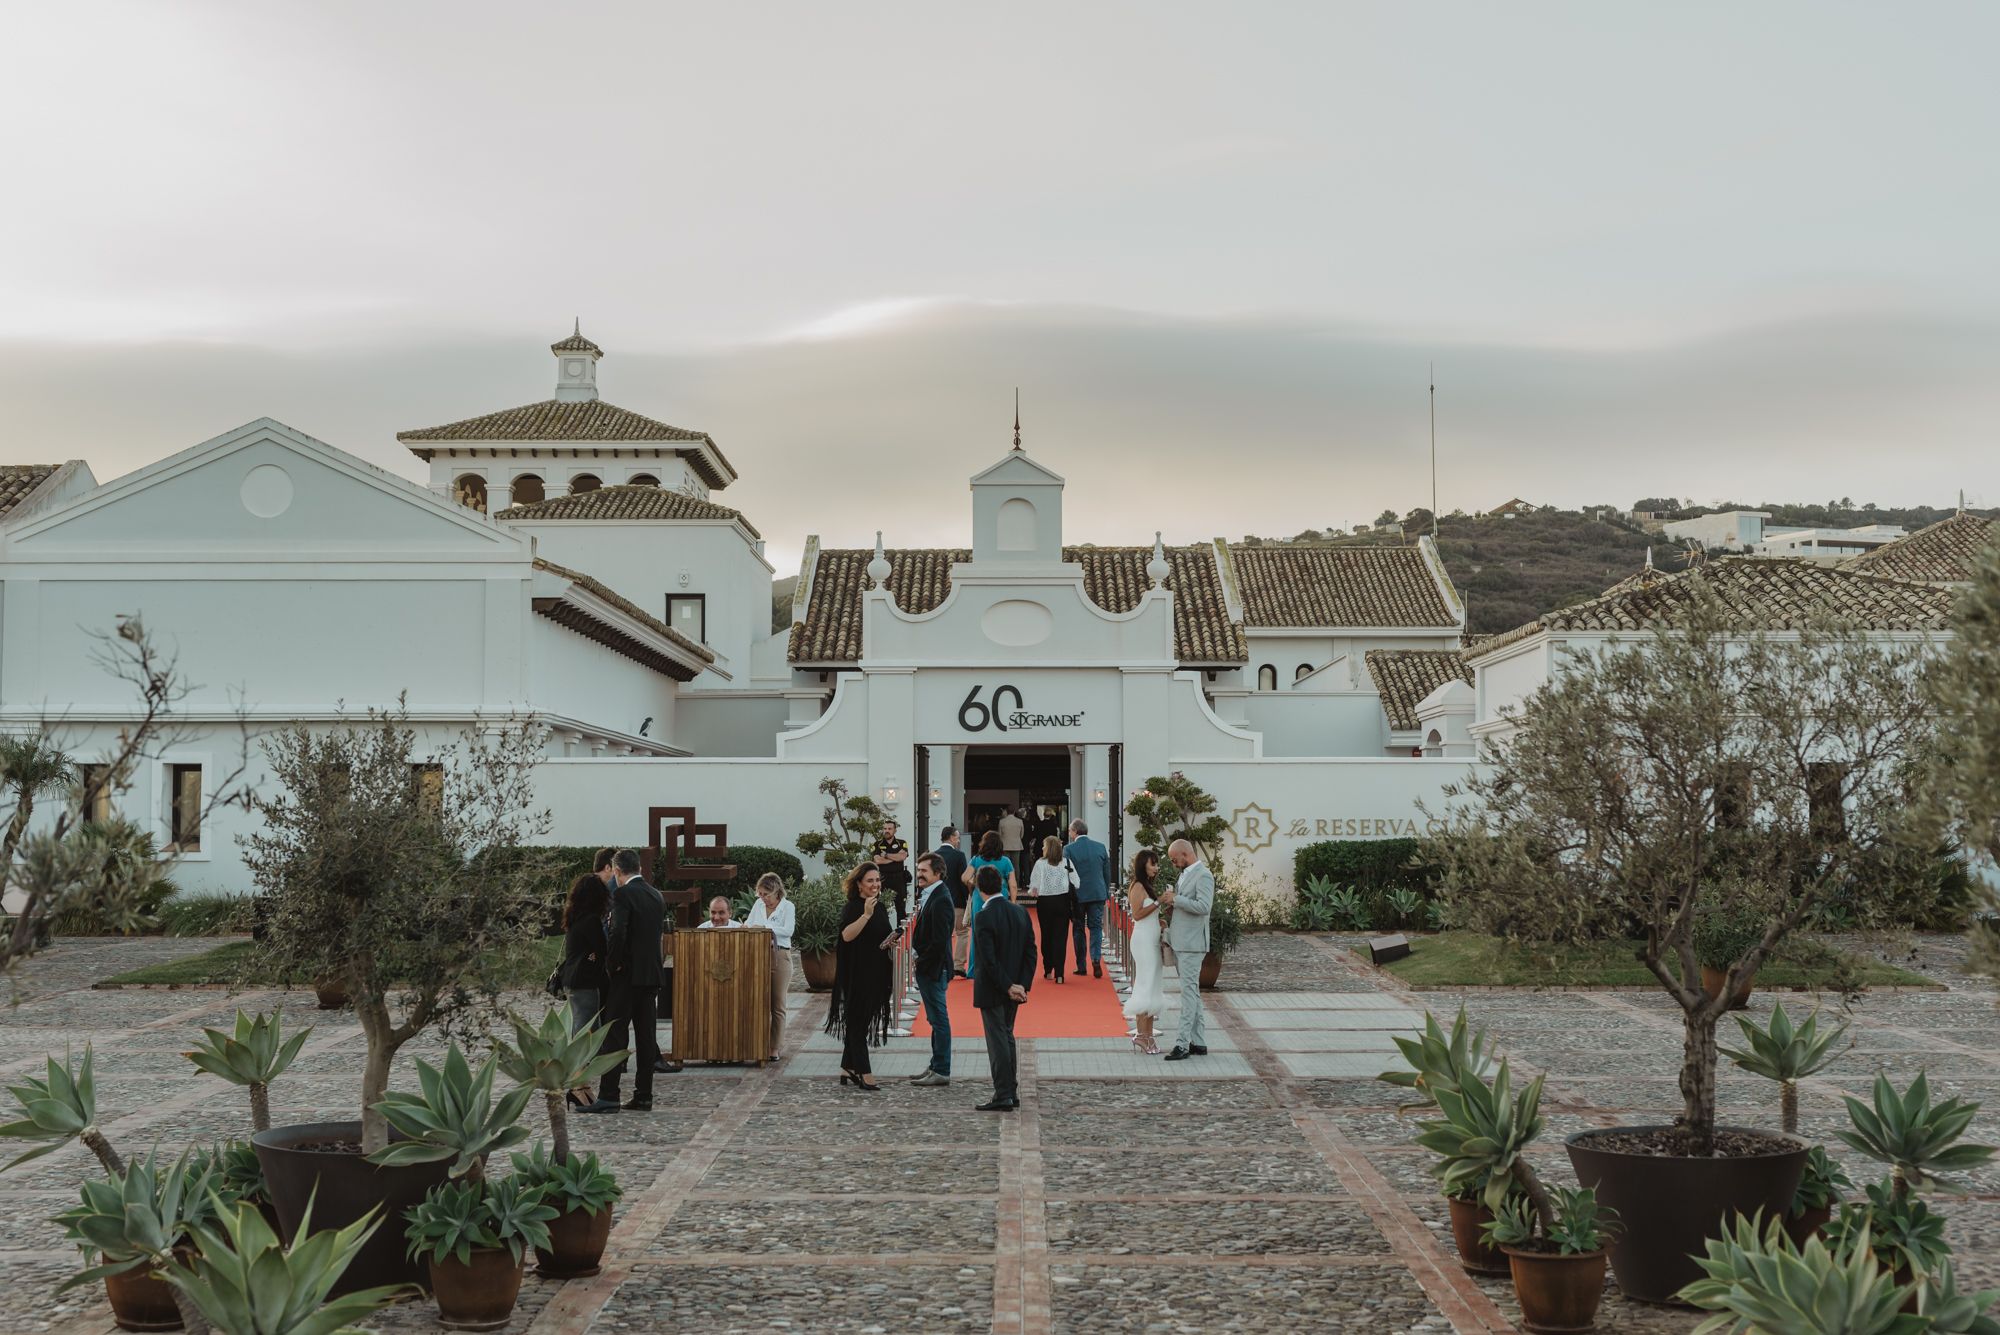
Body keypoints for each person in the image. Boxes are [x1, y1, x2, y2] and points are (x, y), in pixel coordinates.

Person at [584, 849, 668, 1113]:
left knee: (614, 1035)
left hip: (627, 975)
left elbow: (618, 932)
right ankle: (644, 1095)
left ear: (617, 871)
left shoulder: (622, 894)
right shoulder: (656, 895)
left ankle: (609, 1095)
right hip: (651, 975)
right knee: (646, 1037)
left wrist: (612, 964)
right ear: (640, 868)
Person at [972, 866, 1037, 1112]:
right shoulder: (1020, 911)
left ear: (979, 888)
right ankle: (1010, 1089)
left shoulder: (984, 916)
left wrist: (1009, 985)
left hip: (994, 987)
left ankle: (1004, 1093)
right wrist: (1021, 984)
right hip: (1014, 986)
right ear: (1000, 884)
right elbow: (1031, 952)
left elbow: (987, 960)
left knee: (998, 1039)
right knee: (1007, 1035)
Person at [827, 862, 893, 1091]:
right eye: (870, 881)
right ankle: (865, 1072)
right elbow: (846, 936)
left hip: (876, 972)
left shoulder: (881, 907)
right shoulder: (853, 908)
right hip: (857, 974)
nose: (875, 885)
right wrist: (866, 915)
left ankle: (847, 1066)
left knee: (861, 1022)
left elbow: (881, 935)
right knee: (856, 1023)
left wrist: (892, 939)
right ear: (859, 884)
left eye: (877, 880)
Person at [559, 873, 612, 1105]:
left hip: (572, 979)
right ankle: (577, 1085)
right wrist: (596, 956)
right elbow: (602, 949)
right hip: (585, 982)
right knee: (585, 1033)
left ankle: (583, 1085)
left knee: (581, 1029)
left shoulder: (574, 917)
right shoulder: (590, 920)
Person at [1161, 839, 1214, 1062]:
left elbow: (1204, 907)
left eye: (1174, 859)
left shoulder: (1204, 875)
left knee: (1189, 994)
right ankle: (1199, 1042)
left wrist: (1177, 899)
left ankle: (1182, 1044)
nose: (1173, 863)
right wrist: (1173, 904)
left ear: (1185, 854)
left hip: (1193, 944)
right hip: (1182, 941)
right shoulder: (1185, 873)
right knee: (1192, 993)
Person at [909, 852, 956, 1086]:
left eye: (923, 871)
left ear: (937, 873)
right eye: (918, 870)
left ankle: (942, 1069)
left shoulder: (941, 899)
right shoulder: (931, 895)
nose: (919, 875)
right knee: (935, 1019)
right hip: (931, 967)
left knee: (939, 1020)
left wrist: (920, 961)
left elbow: (940, 940)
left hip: (934, 969)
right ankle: (935, 1065)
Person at [1120, 850, 1167, 1054]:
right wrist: (1160, 902)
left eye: (1156, 864)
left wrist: (1160, 921)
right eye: (1153, 864)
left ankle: (1146, 1034)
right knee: (1145, 985)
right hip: (1143, 941)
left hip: (1152, 939)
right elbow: (1137, 915)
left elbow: (1148, 915)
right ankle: (1141, 1035)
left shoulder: (1148, 885)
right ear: (1143, 865)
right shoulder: (1138, 886)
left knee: (1152, 985)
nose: (1156, 868)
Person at [744, 873, 794, 1062]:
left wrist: (763, 927)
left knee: (778, 1003)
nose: (763, 898)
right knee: (758, 1001)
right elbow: (750, 923)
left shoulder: (787, 907)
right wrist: (749, 927)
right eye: (761, 894)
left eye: (766, 894)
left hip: (779, 955)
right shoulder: (758, 905)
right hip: (758, 954)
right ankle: (757, 1043)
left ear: (776, 892)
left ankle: (775, 1046)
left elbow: (788, 930)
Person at [962, 831, 1019, 981]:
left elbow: (965, 877)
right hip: (1001, 898)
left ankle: (974, 970)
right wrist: (1013, 903)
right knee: (1001, 934)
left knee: (977, 933)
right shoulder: (1006, 861)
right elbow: (1013, 884)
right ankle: (1000, 967)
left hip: (980, 898)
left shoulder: (976, 860)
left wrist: (974, 885)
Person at [1064, 819, 1112, 979]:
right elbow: (1107, 872)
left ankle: (1081, 965)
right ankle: (1096, 958)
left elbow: (1067, 873)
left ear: (1075, 831)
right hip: (1097, 892)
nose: (1069, 833)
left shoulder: (1069, 849)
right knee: (1096, 926)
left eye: (1070, 830)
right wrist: (1106, 891)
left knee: (1078, 928)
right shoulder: (1100, 847)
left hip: (1078, 895)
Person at [1027, 835, 1073, 983]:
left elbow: (1033, 886)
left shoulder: (1040, 864)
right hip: (1063, 901)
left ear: (1049, 848)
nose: (1042, 848)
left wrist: (1035, 890)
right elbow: (1076, 881)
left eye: (1043, 846)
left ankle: (1048, 969)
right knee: (1061, 937)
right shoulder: (1066, 862)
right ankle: (1060, 973)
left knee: (1046, 935)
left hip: (1045, 902)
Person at [931, 825, 969, 977]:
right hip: (957, 900)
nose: (958, 840)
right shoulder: (959, 856)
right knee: (962, 932)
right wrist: (967, 897)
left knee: (942, 934)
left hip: (938, 901)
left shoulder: (934, 856)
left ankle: (942, 964)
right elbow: (963, 880)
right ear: (952, 837)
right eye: (957, 837)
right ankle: (958, 964)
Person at [870, 819, 911, 914]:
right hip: (883, 878)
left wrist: (886, 855)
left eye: (889, 828)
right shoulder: (877, 844)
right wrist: (895, 857)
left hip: (899, 878)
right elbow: (877, 860)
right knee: (880, 906)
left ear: (895, 830)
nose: (887, 831)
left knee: (901, 908)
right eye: (885, 828)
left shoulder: (901, 843)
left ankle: (900, 929)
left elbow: (903, 856)